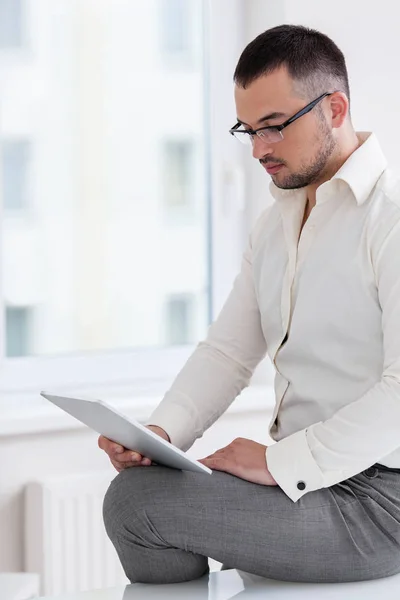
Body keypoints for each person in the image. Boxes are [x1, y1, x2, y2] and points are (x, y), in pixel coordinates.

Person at [100, 24, 400, 585]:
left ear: (334, 109)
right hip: (307, 484)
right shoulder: (276, 223)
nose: (260, 149)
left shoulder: (391, 218)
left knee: (134, 505)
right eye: (249, 129)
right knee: (141, 490)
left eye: (275, 127)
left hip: (380, 502)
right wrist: (162, 436)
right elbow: (228, 353)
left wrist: (275, 461)